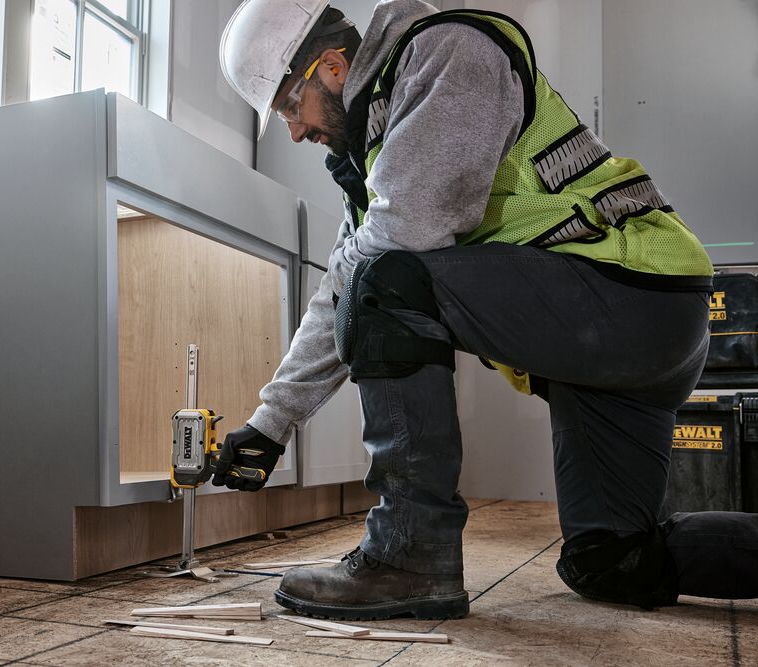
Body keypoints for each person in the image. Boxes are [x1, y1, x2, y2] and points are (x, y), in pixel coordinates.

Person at [212, 0, 758, 621]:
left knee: (386, 279)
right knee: (613, 561)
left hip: (629, 291)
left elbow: (392, 252)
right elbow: (343, 284)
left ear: (332, 67)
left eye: (290, 107)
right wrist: (270, 423)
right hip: (622, 337)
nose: (295, 132)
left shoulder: (448, 51)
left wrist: (357, 288)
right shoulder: (383, 152)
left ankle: (410, 556)